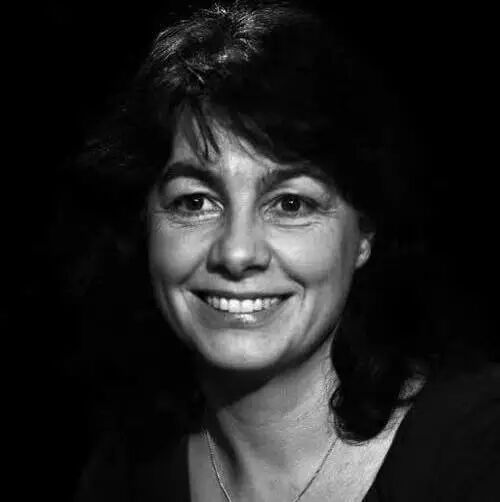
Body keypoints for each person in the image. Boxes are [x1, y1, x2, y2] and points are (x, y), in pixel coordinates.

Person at [70, 1, 499, 500]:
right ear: (145, 224)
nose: (237, 253)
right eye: (195, 201)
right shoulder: (123, 475)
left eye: (291, 204)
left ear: (364, 233)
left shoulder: (483, 450)